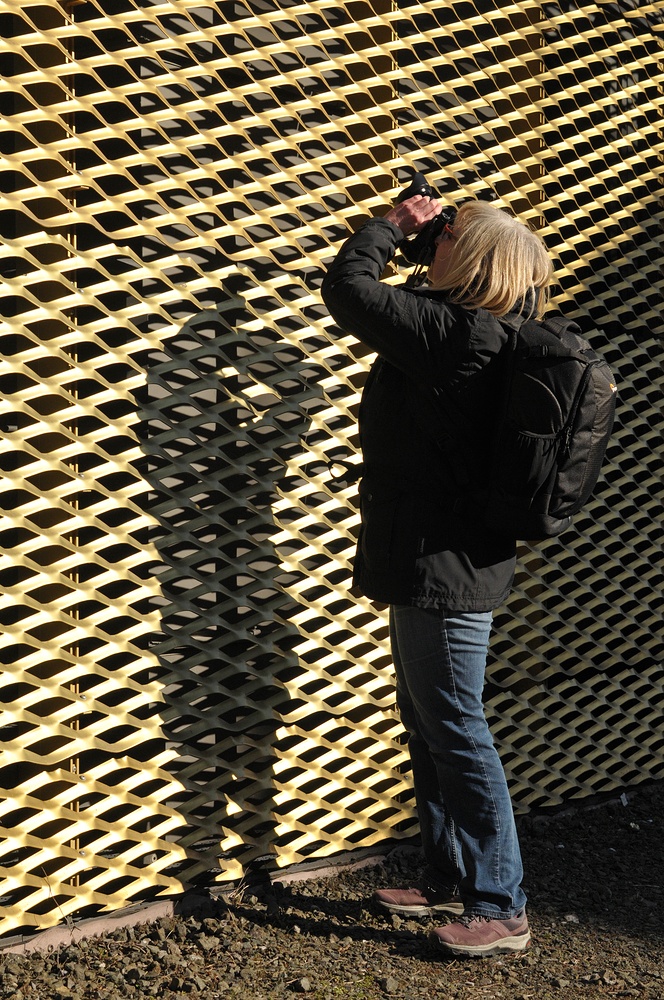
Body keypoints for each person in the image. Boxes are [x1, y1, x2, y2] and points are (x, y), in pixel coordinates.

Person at [320, 192, 553, 958]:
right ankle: (448, 874)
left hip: (444, 567)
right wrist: (427, 244)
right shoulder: (474, 330)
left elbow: (349, 290)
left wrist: (390, 226)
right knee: (431, 722)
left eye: (448, 235)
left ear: (473, 258)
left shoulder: (455, 335)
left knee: (455, 726)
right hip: (440, 558)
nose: (435, 239)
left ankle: (501, 904)